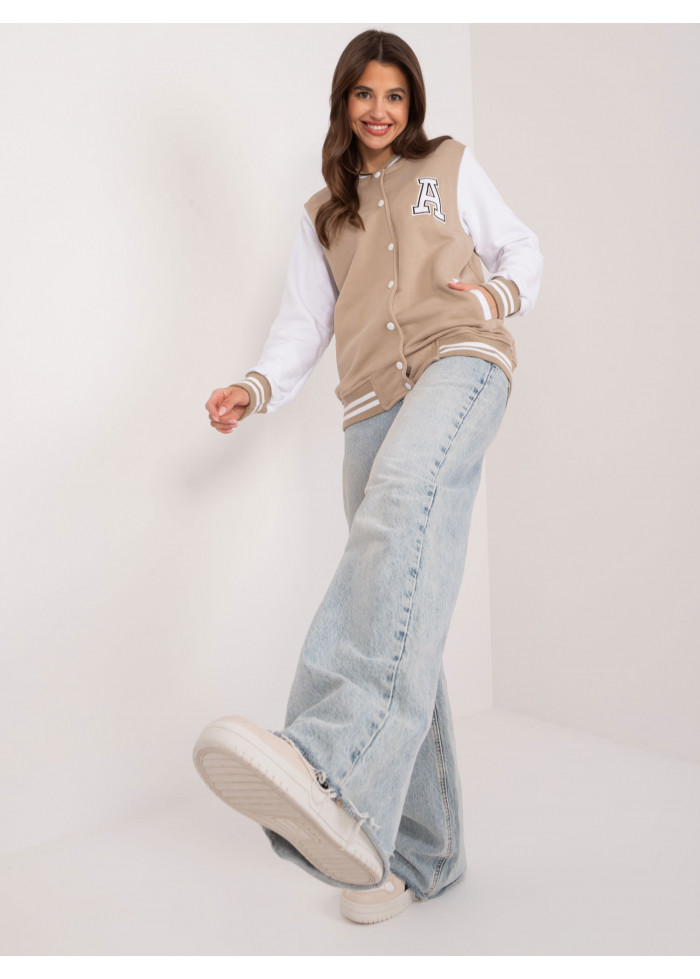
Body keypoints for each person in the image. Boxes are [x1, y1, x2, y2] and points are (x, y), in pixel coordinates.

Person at [193, 28, 543, 925]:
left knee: (395, 519)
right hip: (369, 405)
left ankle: (327, 761)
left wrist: (492, 298)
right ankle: (422, 855)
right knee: (401, 602)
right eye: (364, 94)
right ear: (344, 102)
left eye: (394, 95)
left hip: (460, 361)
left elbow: (521, 249)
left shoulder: (448, 166)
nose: (380, 110)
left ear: (411, 102)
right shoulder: (325, 213)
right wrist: (255, 387)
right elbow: (303, 323)